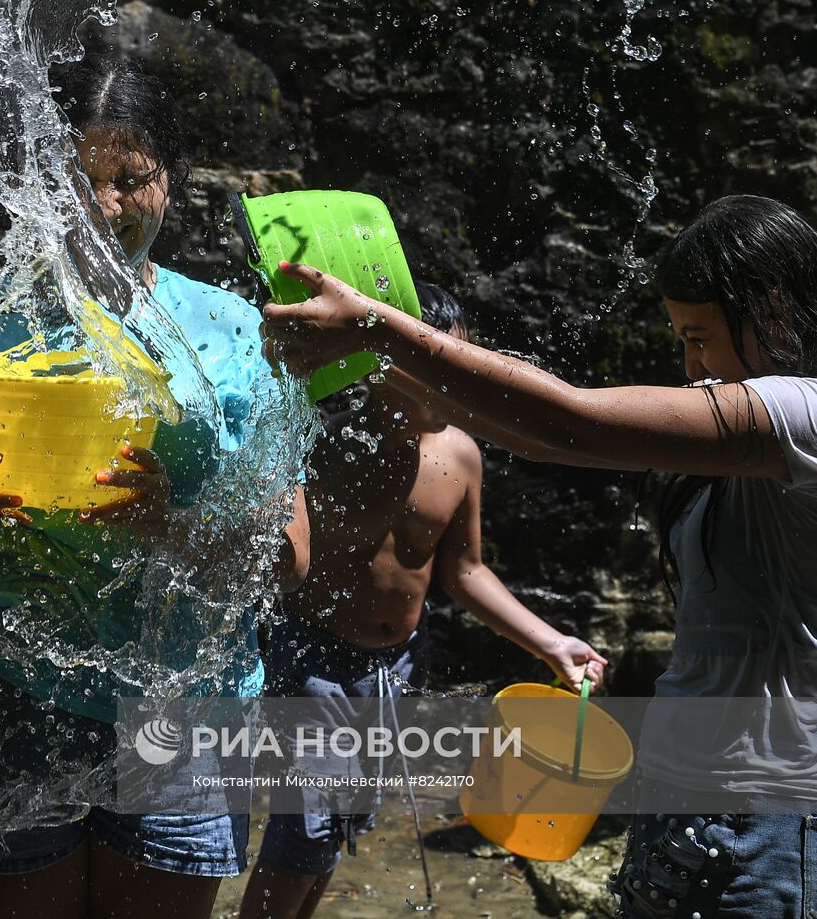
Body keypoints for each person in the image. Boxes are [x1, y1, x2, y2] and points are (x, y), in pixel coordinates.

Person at [258, 195, 817, 918]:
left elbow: (568, 423)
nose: (691, 369)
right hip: (690, 800)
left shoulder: (801, 414)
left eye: (699, 338)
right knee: (305, 831)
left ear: (774, 311)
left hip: (762, 814)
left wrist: (377, 328)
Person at [0, 56, 311, 919]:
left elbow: (290, 559)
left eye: (129, 179)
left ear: (172, 181)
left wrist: (170, 527)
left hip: (181, 707)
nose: (104, 207)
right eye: (77, 181)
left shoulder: (230, 334)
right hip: (6, 695)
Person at [239, 284, 607, 919]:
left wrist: (550, 642)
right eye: (431, 368)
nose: (451, 385)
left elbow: (464, 572)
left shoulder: (459, 453)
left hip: (402, 666)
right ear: (380, 360)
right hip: (315, 660)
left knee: (342, 824)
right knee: (305, 829)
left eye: (454, 366)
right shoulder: (328, 441)